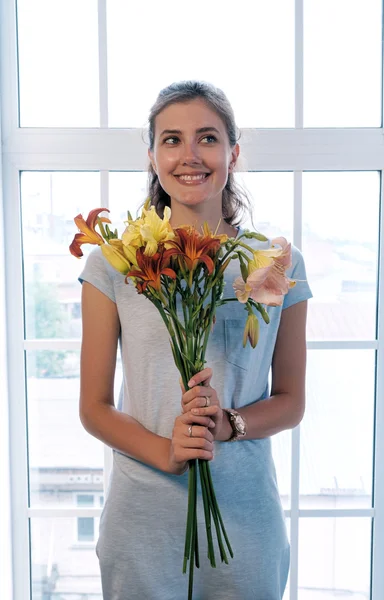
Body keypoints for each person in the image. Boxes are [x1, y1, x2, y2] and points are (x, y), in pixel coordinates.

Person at [78, 80, 313, 600]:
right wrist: (167, 452)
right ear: (151, 157)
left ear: (233, 152)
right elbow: (93, 408)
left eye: (207, 138)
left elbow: (291, 401)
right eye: (171, 140)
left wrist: (229, 425)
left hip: (246, 518)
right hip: (141, 520)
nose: (189, 156)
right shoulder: (115, 262)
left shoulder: (275, 262)